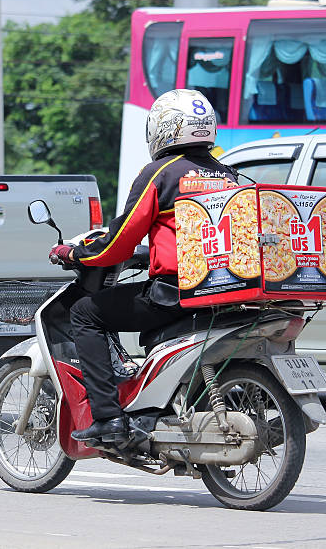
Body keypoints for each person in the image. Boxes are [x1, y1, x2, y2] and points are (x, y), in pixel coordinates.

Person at [50, 89, 238, 443]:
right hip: (224, 289)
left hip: (175, 293)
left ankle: (108, 418)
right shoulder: (227, 174)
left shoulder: (161, 173)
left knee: (85, 313)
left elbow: (119, 241)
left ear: (164, 129)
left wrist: (75, 254)